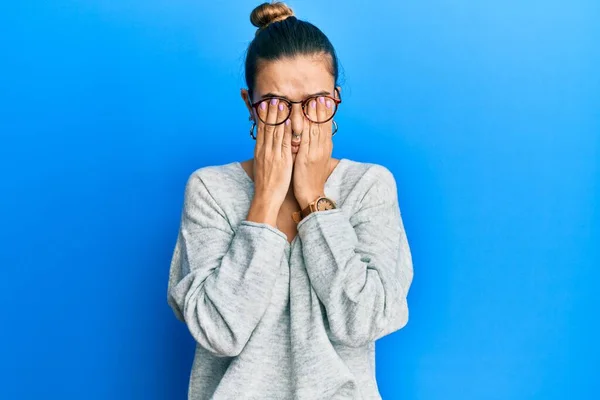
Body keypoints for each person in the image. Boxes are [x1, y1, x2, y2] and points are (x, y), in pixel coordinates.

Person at [166, 2, 414, 399]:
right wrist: (264, 200)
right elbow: (218, 331)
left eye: (315, 102)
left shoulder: (369, 186)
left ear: (335, 99)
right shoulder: (210, 190)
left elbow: (363, 322)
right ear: (250, 104)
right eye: (276, 105)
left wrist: (314, 199)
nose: (297, 125)